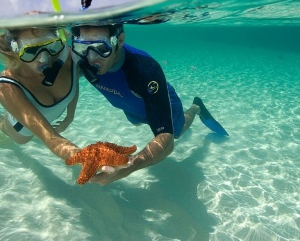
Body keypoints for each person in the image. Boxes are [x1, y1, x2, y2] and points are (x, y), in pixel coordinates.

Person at [71, 23, 228, 186]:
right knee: (137, 122)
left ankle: (196, 108)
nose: (90, 58)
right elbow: (65, 83)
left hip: (160, 101)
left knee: (176, 132)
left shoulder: (144, 70)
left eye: (100, 48)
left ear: (120, 40)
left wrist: (127, 167)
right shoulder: (79, 58)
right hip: (130, 106)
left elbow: (166, 141)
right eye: (83, 48)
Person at [0, 26, 80, 160]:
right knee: (5, 127)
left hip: (47, 121)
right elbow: (51, 138)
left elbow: (74, 85)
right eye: (30, 50)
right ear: (14, 49)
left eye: (50, 46)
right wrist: (85, 157)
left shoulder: (69, 59)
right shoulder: (7, 86)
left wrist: (69, 117)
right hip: (20, 130)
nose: (44, 59)